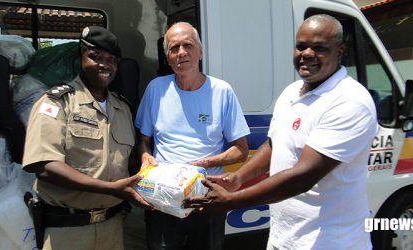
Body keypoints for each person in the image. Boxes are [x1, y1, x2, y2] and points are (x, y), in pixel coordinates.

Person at [184, 14, 378, 250]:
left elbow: (303, 176)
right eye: (301, 46)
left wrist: (232, 201)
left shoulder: (350, 101)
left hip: (331, 242)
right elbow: (274, 145)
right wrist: (238, 179)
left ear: (340, 51)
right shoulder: (292, 92)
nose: (307, 54)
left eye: (319, 48)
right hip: (284, 240)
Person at [22, 26, 152, 250]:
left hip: (113, 227)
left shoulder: (122, 108)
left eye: (111, 59)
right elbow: (45, 166)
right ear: (80, 57)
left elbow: (127, 162)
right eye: (96, 57)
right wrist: (110, 189)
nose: (105, 65)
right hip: (67, 230)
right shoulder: (56, 102)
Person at [135, 22, 250, 250]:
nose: (181, 53)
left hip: (206, 197)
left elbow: (241, 150)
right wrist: (145, 157)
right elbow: (144, 141)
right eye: (174, 48)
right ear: (167, 57)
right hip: (163, 198)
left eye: (187, 45)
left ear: (200, 51)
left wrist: (206, 163)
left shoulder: (222, 91)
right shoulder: (156, 89)